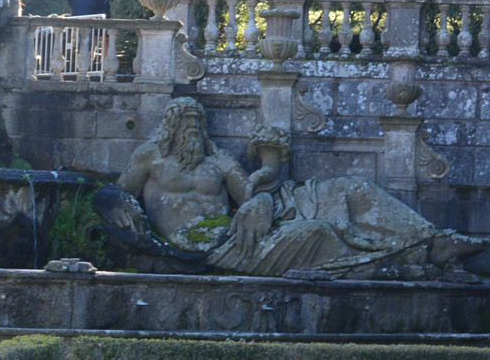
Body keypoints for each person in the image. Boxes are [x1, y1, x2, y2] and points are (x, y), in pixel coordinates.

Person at [97, 98, 488, 278]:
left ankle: (428, 243)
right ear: (168, 125)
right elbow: (118, 192)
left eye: (197, 122)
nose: (192, 129)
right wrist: (110, 200)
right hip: (204, 248)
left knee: (346, 194)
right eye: (184, 121)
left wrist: (260, 200)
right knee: (317, 231)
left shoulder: (216, 160)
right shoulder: (151, 158)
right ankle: (404, 259)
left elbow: (251, 192)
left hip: (237, 235)